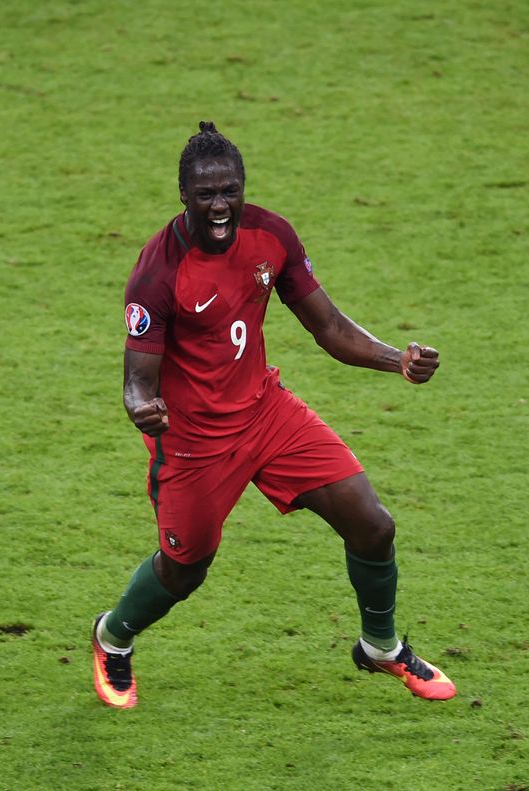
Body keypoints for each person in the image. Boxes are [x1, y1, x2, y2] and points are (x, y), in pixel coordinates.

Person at [91, 121, 456, 708]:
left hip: (266, 414)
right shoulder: (158, 273)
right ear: (183, 195)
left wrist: (399, 361)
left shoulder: (271, 235)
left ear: (243, 187)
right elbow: (136, 381)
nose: (219, 205)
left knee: (373, 524)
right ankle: (113, 636)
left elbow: (330, 328)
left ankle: (381, 647)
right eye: (206, 194)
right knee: (186, 571)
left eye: (229, 191)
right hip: (194, 442)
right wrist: (143, 409)